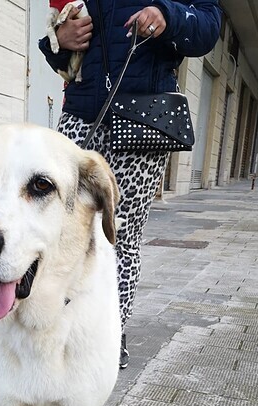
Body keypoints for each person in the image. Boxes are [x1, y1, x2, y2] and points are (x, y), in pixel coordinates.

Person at [39, 1, 221, 368]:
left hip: (142, 119)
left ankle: (109, 334)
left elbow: (208, 27)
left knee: (120, 237)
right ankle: (54, 327)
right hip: (81, 115)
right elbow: (62, 46)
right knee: (56, 225)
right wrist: (57, 39)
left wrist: (168, 17)